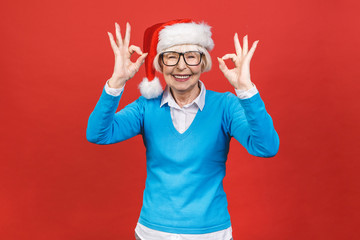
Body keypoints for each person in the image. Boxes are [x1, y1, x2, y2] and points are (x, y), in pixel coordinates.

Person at [86, 19, 279, 240]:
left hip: (211, 233)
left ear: (203, 62)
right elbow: (98, 134)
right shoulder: (145, 106)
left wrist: (246, 90)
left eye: (190, 56)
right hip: (153, 232)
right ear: (160, 63)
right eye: (171, 57)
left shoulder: (226, 105)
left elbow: (266, 147)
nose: (181, 66)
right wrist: (116, 82)